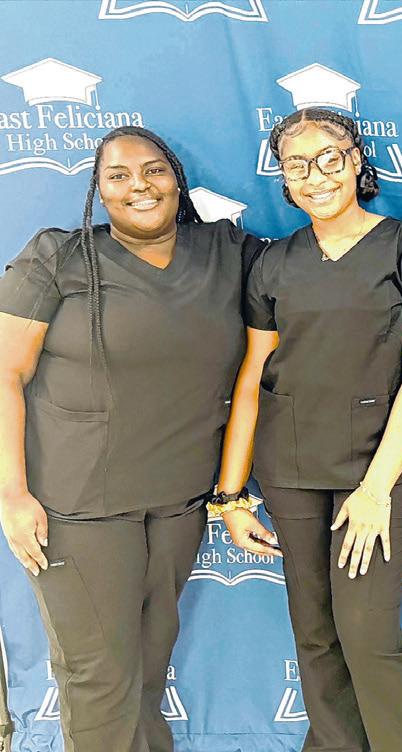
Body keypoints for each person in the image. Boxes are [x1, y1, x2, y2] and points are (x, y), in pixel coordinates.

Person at [0, 126, 263, 752]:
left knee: (145, 671)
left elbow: (313, 278)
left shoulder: (225, 251)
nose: (139, 186)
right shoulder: (60, 256)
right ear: (98, 190)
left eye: (153, 171)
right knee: (99, 679)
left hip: (177, 504)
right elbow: (5, 372)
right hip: (78, 507)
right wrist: (11, 492)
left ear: (177, 179)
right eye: (117, 176)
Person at [215, 107, 402, 752]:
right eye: (297, 165)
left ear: (356, 161)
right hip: (290, 469)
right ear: (284, 179)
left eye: (329, 159)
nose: (315, 176)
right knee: (315, 635)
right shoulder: (273, 262)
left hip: (374, 471)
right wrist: (230, 496)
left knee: (369, 636)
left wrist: (376, 490)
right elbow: (252, 377)